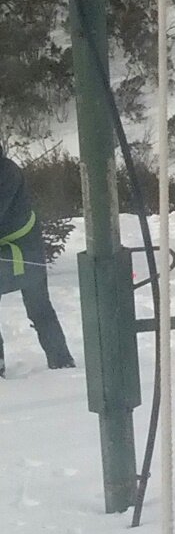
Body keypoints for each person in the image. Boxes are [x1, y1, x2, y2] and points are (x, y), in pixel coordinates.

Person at [0, 150, 76, 376]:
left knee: (39, 308)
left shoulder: (7, 172)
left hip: (25, 251)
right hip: (19, 250)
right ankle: (60, 359)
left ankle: (61, 361)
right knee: (40, 308)